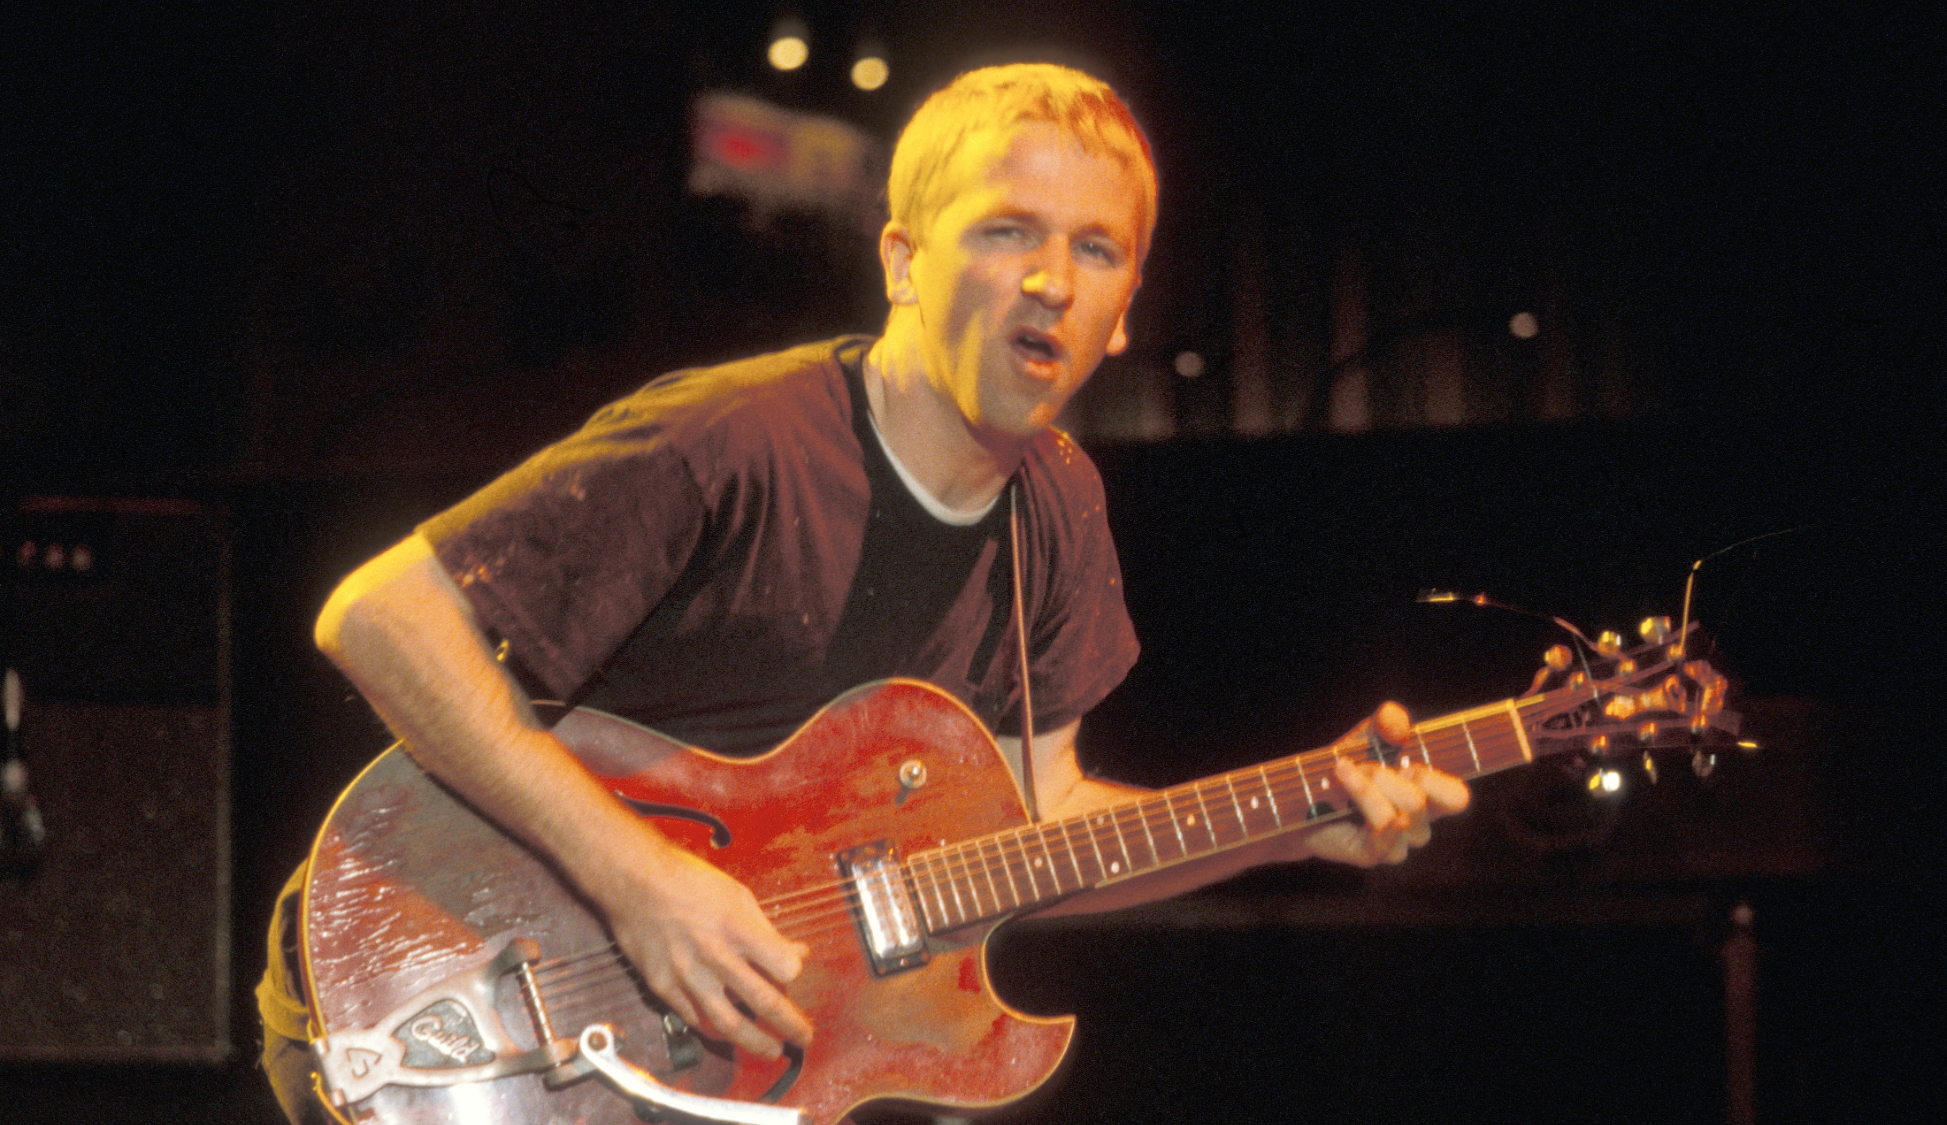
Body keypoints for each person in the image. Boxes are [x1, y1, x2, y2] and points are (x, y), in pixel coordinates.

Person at [258, 62, 1469, 1122]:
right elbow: (378, 617)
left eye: (1094, 249)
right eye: (1006, 231)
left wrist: (1292, 823)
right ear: (901, 262)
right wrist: (638, 881)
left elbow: (1040, 827)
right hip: (451, 986)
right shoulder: (734, 439)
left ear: (1121, 318)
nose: (1050, 280)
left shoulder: (1056, 506)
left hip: (720, 1072)